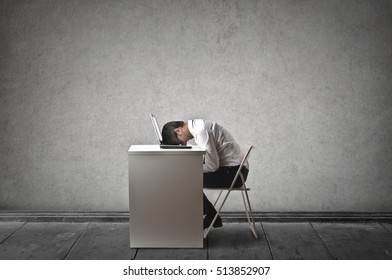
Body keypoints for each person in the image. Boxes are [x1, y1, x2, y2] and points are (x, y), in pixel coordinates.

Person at [162, 119, 249, 229]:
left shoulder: (201, 132)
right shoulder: (198, 126)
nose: (181, 143)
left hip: (234, 175)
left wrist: (190, 169)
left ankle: (211, 217)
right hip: (233, 170)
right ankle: (211, 216)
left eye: (178, 141)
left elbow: (212, 166)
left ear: (178, 130)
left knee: (184, 180)